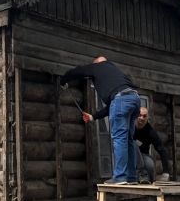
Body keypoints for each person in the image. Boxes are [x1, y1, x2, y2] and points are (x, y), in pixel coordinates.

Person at [60, 56, 140, 184]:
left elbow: (79, 71)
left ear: (97, 62)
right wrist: (93, 117)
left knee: (119, 138)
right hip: (134, 99)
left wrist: (63, 79)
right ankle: (131, 177)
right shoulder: (115, 72)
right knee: (128, 140)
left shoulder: (98, 67)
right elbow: (114, 106)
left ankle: (120, 177)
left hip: (120, 99)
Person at [134, 107, 171, 184]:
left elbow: (161, 150)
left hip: (144, 155)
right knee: (133, 144)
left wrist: (166, 172)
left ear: (147, 118)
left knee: (150, 165)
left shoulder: (150, 132)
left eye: (144, 116)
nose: (141, 118)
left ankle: (148, 182)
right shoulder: (130, 127)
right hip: (129, 155)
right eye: (140, 115)